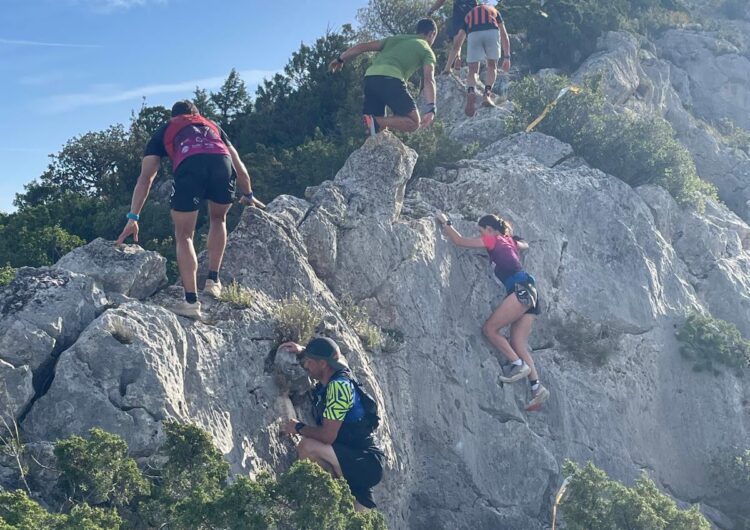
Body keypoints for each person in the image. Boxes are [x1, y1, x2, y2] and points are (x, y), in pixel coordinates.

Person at [116, 100, 265, 319]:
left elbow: (146, 178)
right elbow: (239, 165)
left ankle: (191, 302)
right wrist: (249, 195)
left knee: (184, 235)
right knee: (219, 219)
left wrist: (133, 217)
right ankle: (213, 281)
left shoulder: (165, 130)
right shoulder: (211, 126)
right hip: (222, 164)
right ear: (196, 114)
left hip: (189, 165)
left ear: (172, 117)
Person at [435, 212, 550, 411]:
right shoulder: (509, 241)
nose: (480, 235)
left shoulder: (493, 240)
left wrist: (445, 221)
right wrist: (515, 239)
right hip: (531, 292)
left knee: (490, 329)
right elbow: (525, 245)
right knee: (518, 343)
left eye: (481, 231)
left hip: (519, 290)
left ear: (489, 230)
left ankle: (518, 364)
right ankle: (537, 388)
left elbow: (459, 240)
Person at [281, 337, 385, 510]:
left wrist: (298, 427)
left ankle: (331, 500)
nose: (305, 365)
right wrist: (303, 350)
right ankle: (348, 501)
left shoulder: (339, 388)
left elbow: (327, 436)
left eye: (309, 361)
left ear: (323, 364)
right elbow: (337, 356)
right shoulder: (338, 370)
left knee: (307, 447)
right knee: (358, 520)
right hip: (352, 455)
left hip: (364, 462)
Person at [329, 18, 438, 136]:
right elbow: (429, 79)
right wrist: (431, 108)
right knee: (413, 122)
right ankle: (376, 121)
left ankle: (374, 125)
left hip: (370, 78)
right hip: (391, 79)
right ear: (432, 34)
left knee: (375, 131)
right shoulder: (427, 50)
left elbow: (363, 47)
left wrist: (340, 59)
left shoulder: (395, 39)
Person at [445, 3, 511, 116]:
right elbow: (504, 35)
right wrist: (507, 57)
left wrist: (447, 68)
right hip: (491, 30)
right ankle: (487, 94)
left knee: (473, 69)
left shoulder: (469, 15)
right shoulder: (494, 11)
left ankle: (471, 91)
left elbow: (457, 44)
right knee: (492, 65)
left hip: (473, 33)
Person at [426, 0, 479, 72]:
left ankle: (452, 66)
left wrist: (431, 10)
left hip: (462, 14)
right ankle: (457, 65)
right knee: (468, 42)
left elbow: (440, 1)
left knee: (458, 42)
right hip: (470, 13)